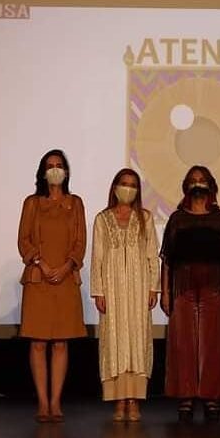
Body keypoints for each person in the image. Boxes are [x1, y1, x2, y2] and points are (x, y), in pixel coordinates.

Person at [160, 166, 220, 421]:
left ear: (210, 186)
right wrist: (164, 293)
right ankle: (185, 398)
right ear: (186, 186)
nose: (198, 184)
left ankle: (211, 397)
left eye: (202, 180)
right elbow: (167, 261)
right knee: (183, 344)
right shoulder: (177, 219)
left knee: (212, 344)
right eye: (193, 180)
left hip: (214, 288)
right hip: (182, 287)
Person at [17, 149, 87, 422]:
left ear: (66, 172)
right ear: (42, 172)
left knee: (60, 343)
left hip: (66, 278)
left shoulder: (75, 203)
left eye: (59, 165)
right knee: (37, 342)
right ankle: (42, 403)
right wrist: (42, 264)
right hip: (38, 278)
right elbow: (23, 239)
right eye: (50, 165)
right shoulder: (32, 203)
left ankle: (56, 402)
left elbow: (80, 241)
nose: (55, 169)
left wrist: (68, 266)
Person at [90, 168, 160, 421]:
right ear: (115, 186)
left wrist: (154, 287)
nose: (127, 188)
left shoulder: (145, 218)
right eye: (123, 183)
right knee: (115, 340)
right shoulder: (103, 219)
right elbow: (97, 256)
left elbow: (153, 254)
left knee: (137, 341)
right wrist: (98, 291)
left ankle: (134, 400)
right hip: (113, 288)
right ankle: (118, 400)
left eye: (132, 185)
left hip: (139, 288)